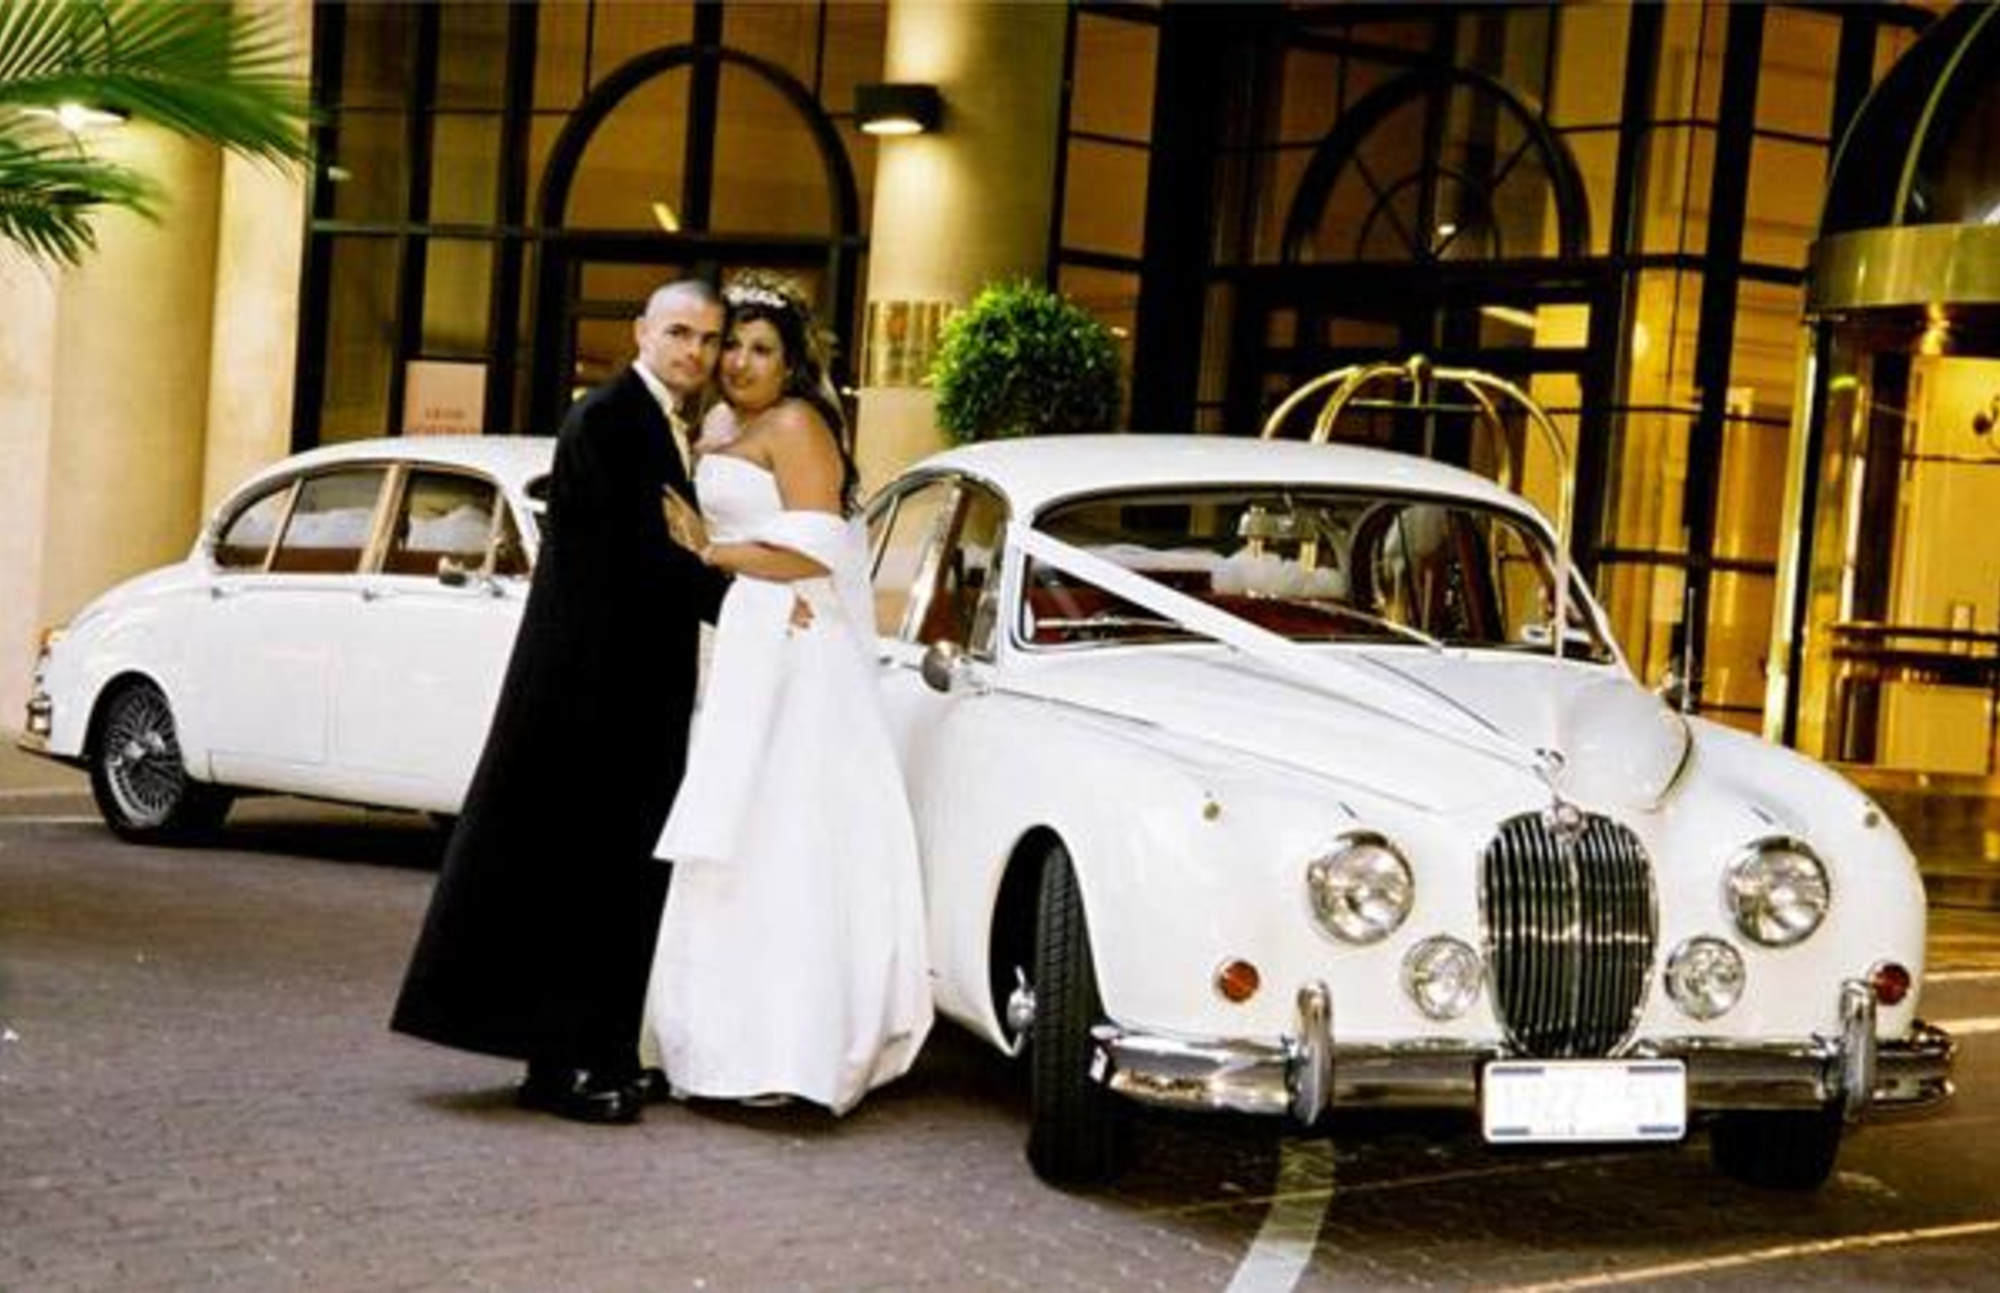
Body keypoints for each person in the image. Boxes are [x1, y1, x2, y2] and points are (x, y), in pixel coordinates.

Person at [391, 279, 729, 1125]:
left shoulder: (654, 422)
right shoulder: (611, 421)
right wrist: (743, 590)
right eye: (681, 332)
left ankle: (602, 1049)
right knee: (583, 875)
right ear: (642, 332)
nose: (696, 351)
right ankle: (562, 1066)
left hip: (625, 686)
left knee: (615, 876)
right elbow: (635, 560)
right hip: (590, 692)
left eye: (710, 339)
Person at [642, 274, 933, 1115]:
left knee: (785, 833)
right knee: (732, 832)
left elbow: (815, 550)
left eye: (759, 349)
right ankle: (713, 1040)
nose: (736, 361)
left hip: (799, 657)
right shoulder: (720, 426)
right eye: (728, 344)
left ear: (792, 361)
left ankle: (791, 1047)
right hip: (744, 645)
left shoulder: (800, 425)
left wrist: (710, 552)